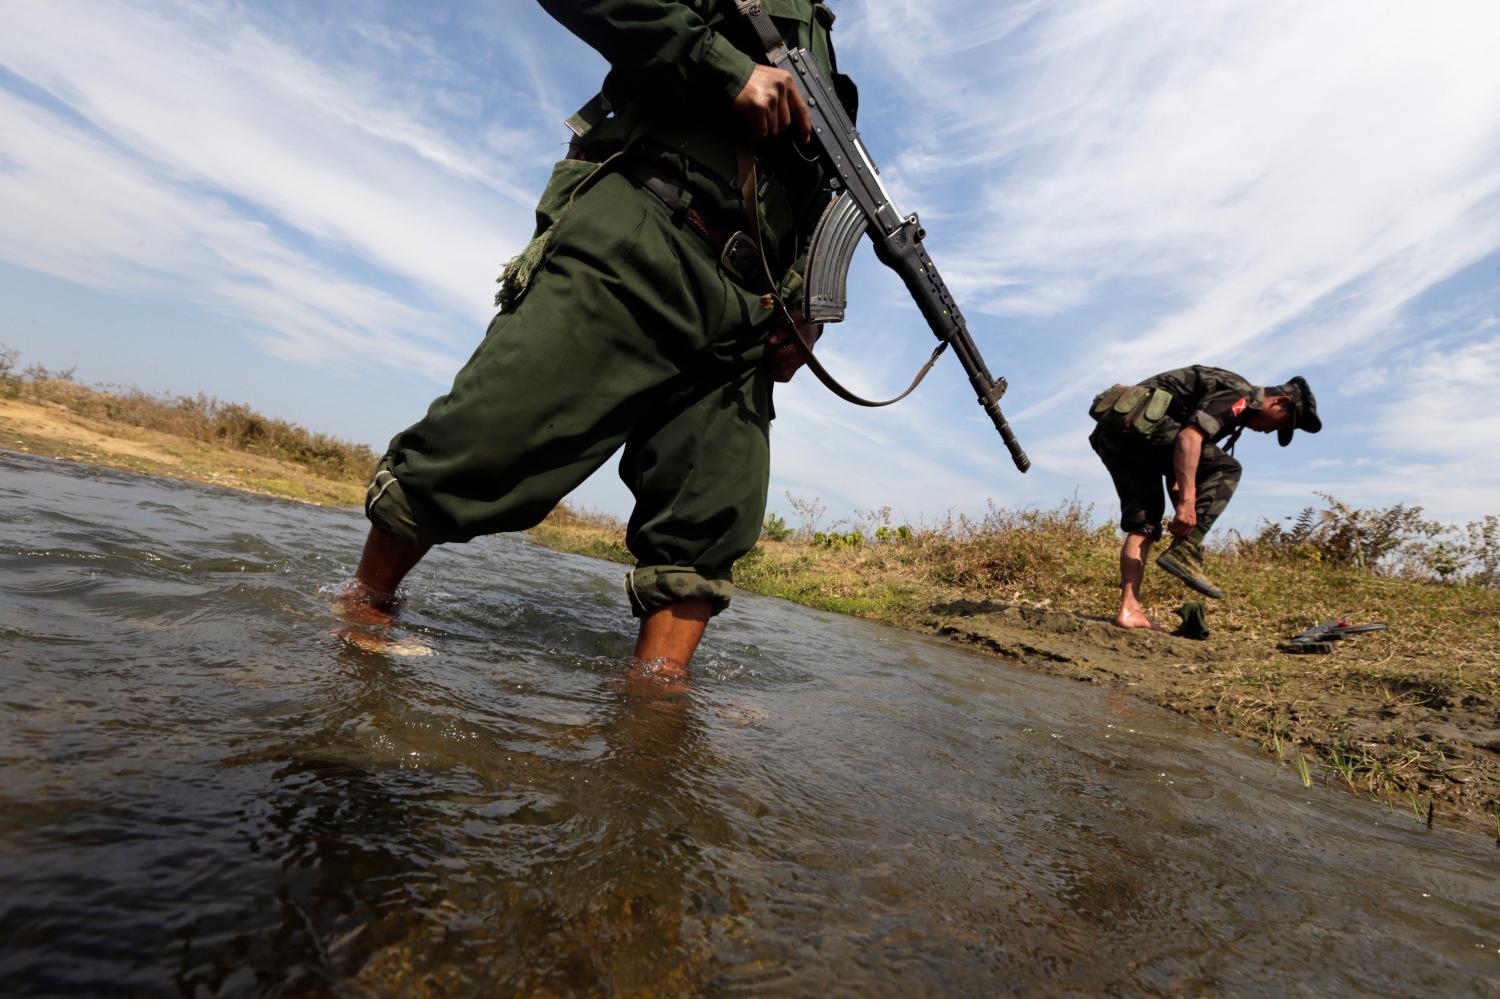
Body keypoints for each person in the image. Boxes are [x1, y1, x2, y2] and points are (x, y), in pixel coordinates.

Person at [341, 2, 853, 677]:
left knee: (708, 516)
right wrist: (728, 69)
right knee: (492, 431)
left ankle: (657, 702)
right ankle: (364, 608)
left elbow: (817, 207)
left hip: (748, 307)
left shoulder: (828, 62)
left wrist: (807, 309)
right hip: (648, 228)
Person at [1088, 366, 1321, 631]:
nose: (1270, 432)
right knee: (1227, 468)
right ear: (1280, 402)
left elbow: (1178, 466)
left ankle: (1129, 611)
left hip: (1116, 434)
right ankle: (1187, 551)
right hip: (1144, 427)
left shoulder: (1232, 407)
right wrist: (1188, 505)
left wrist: (1183, 514)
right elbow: (1188, 438)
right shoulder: (1240, 394)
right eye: (1279, 424)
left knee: (1144, 524)